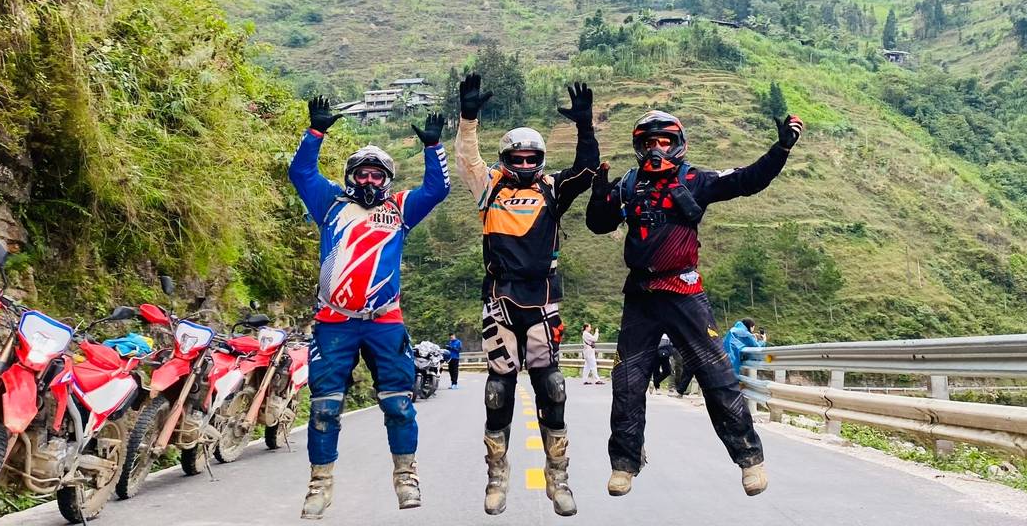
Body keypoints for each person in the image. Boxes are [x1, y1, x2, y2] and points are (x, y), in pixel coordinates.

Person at [586, 109, 803, 499]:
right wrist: (599, 193)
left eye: (664, 141)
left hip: (685, 293)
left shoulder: (694, 180)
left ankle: (749, 459)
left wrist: (782, 148)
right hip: (640, 296)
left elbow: (747, 180)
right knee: (627, 383)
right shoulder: (627, 185)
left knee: (718, 378)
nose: (657, 149)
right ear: (639, 147)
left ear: (678, 143)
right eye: (649, 142)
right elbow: (597, 224)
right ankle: (624, 464)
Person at [288, 96, 450, 519]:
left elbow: (438, 189)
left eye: (378, 174)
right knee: (324, 409)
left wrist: (434, 147)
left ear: (388, 180)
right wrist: (315, 133)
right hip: (333, 322)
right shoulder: (330, 205)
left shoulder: (400, 209)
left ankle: (406, 478)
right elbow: (300, 172)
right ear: (350, 177)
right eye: (362, 173)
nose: (369, 180)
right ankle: (319, 486)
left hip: (384, 322)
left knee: (398, 403)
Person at [452, 72, 598, 517]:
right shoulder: (489, 186)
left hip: (544, 297)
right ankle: (496, 476)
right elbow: (466, 158)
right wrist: (468, 117)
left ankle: (559, 478)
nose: (525, 161)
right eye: (517, 155)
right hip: (499, 297)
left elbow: (588, 170)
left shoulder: (553, 189)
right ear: (506, 157)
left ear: (540, 158)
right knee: (497, 391)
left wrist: (585, 125)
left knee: (552, 387)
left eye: (532, 156)